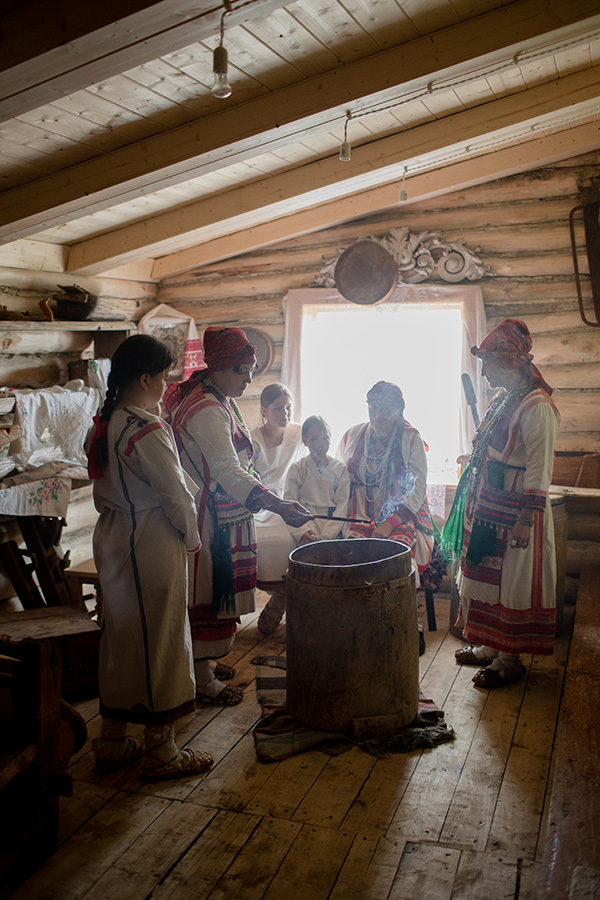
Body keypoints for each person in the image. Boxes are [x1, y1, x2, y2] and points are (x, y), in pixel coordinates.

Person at [86, 334, 213, 781]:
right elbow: (176, 497)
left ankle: (112, 739)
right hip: (151, 539)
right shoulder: (146, 428)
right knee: (161, 640)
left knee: (121, 639)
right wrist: (193, 540)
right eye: (163, 376)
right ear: (145, 379)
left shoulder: (104, 423)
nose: (166, 384)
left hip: (113, 538)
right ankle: (162, 749)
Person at [166, 330, 311, 703]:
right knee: (208, 592)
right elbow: (227, 470)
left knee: (212, 591)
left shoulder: (212, 396)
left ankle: (204, 662)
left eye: (251, 369)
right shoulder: (208, 409)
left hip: (219, 507)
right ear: (218, 366)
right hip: (210, 516)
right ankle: (201, 677)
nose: (248, 379)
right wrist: (278, 504)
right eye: (241, 370)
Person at [454, 319, 560, 688]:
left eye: (488, 364)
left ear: (509, 362)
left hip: (516, 510)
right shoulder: (503, 400)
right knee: (487, 577)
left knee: (510, 582)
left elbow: (540, 467)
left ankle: (508, 661)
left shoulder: (537, 406)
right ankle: (489, 646)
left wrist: (526, 519)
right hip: (490, 504)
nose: (483, 372)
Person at [338, 381, 435, 652]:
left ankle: (410, 624)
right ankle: (360, 624)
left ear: (398, 410)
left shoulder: (411, 438)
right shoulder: (353, 435)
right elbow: (338, 478)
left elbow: (417, 489)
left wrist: (389, 523)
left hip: (402, 515)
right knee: (352, 556)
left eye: (384, 408)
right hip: (359, 513)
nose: (377, 413)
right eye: (373, 406)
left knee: (399, 557)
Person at [250, 384, 307, 635]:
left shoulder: (298, 433)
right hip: (263, 503)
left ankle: (282, 603)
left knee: (297, 538)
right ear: (264, 410)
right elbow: (248, 478)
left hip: (291, 499)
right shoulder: (252, 439)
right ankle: (278, 596)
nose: (285, 414)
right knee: (266, 541)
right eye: (278, 409)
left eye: (288, 408)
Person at [284, 415, 351, 545]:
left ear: (330, 438)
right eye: (314, 439)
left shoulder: (340, 469)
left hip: (332, 521)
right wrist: (303, 532)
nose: (320, 443)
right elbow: (290, 504)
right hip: (304, 520)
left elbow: (342, 506)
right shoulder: (297, 468)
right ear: (305, 441)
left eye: (324, 437)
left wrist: (327, 536)